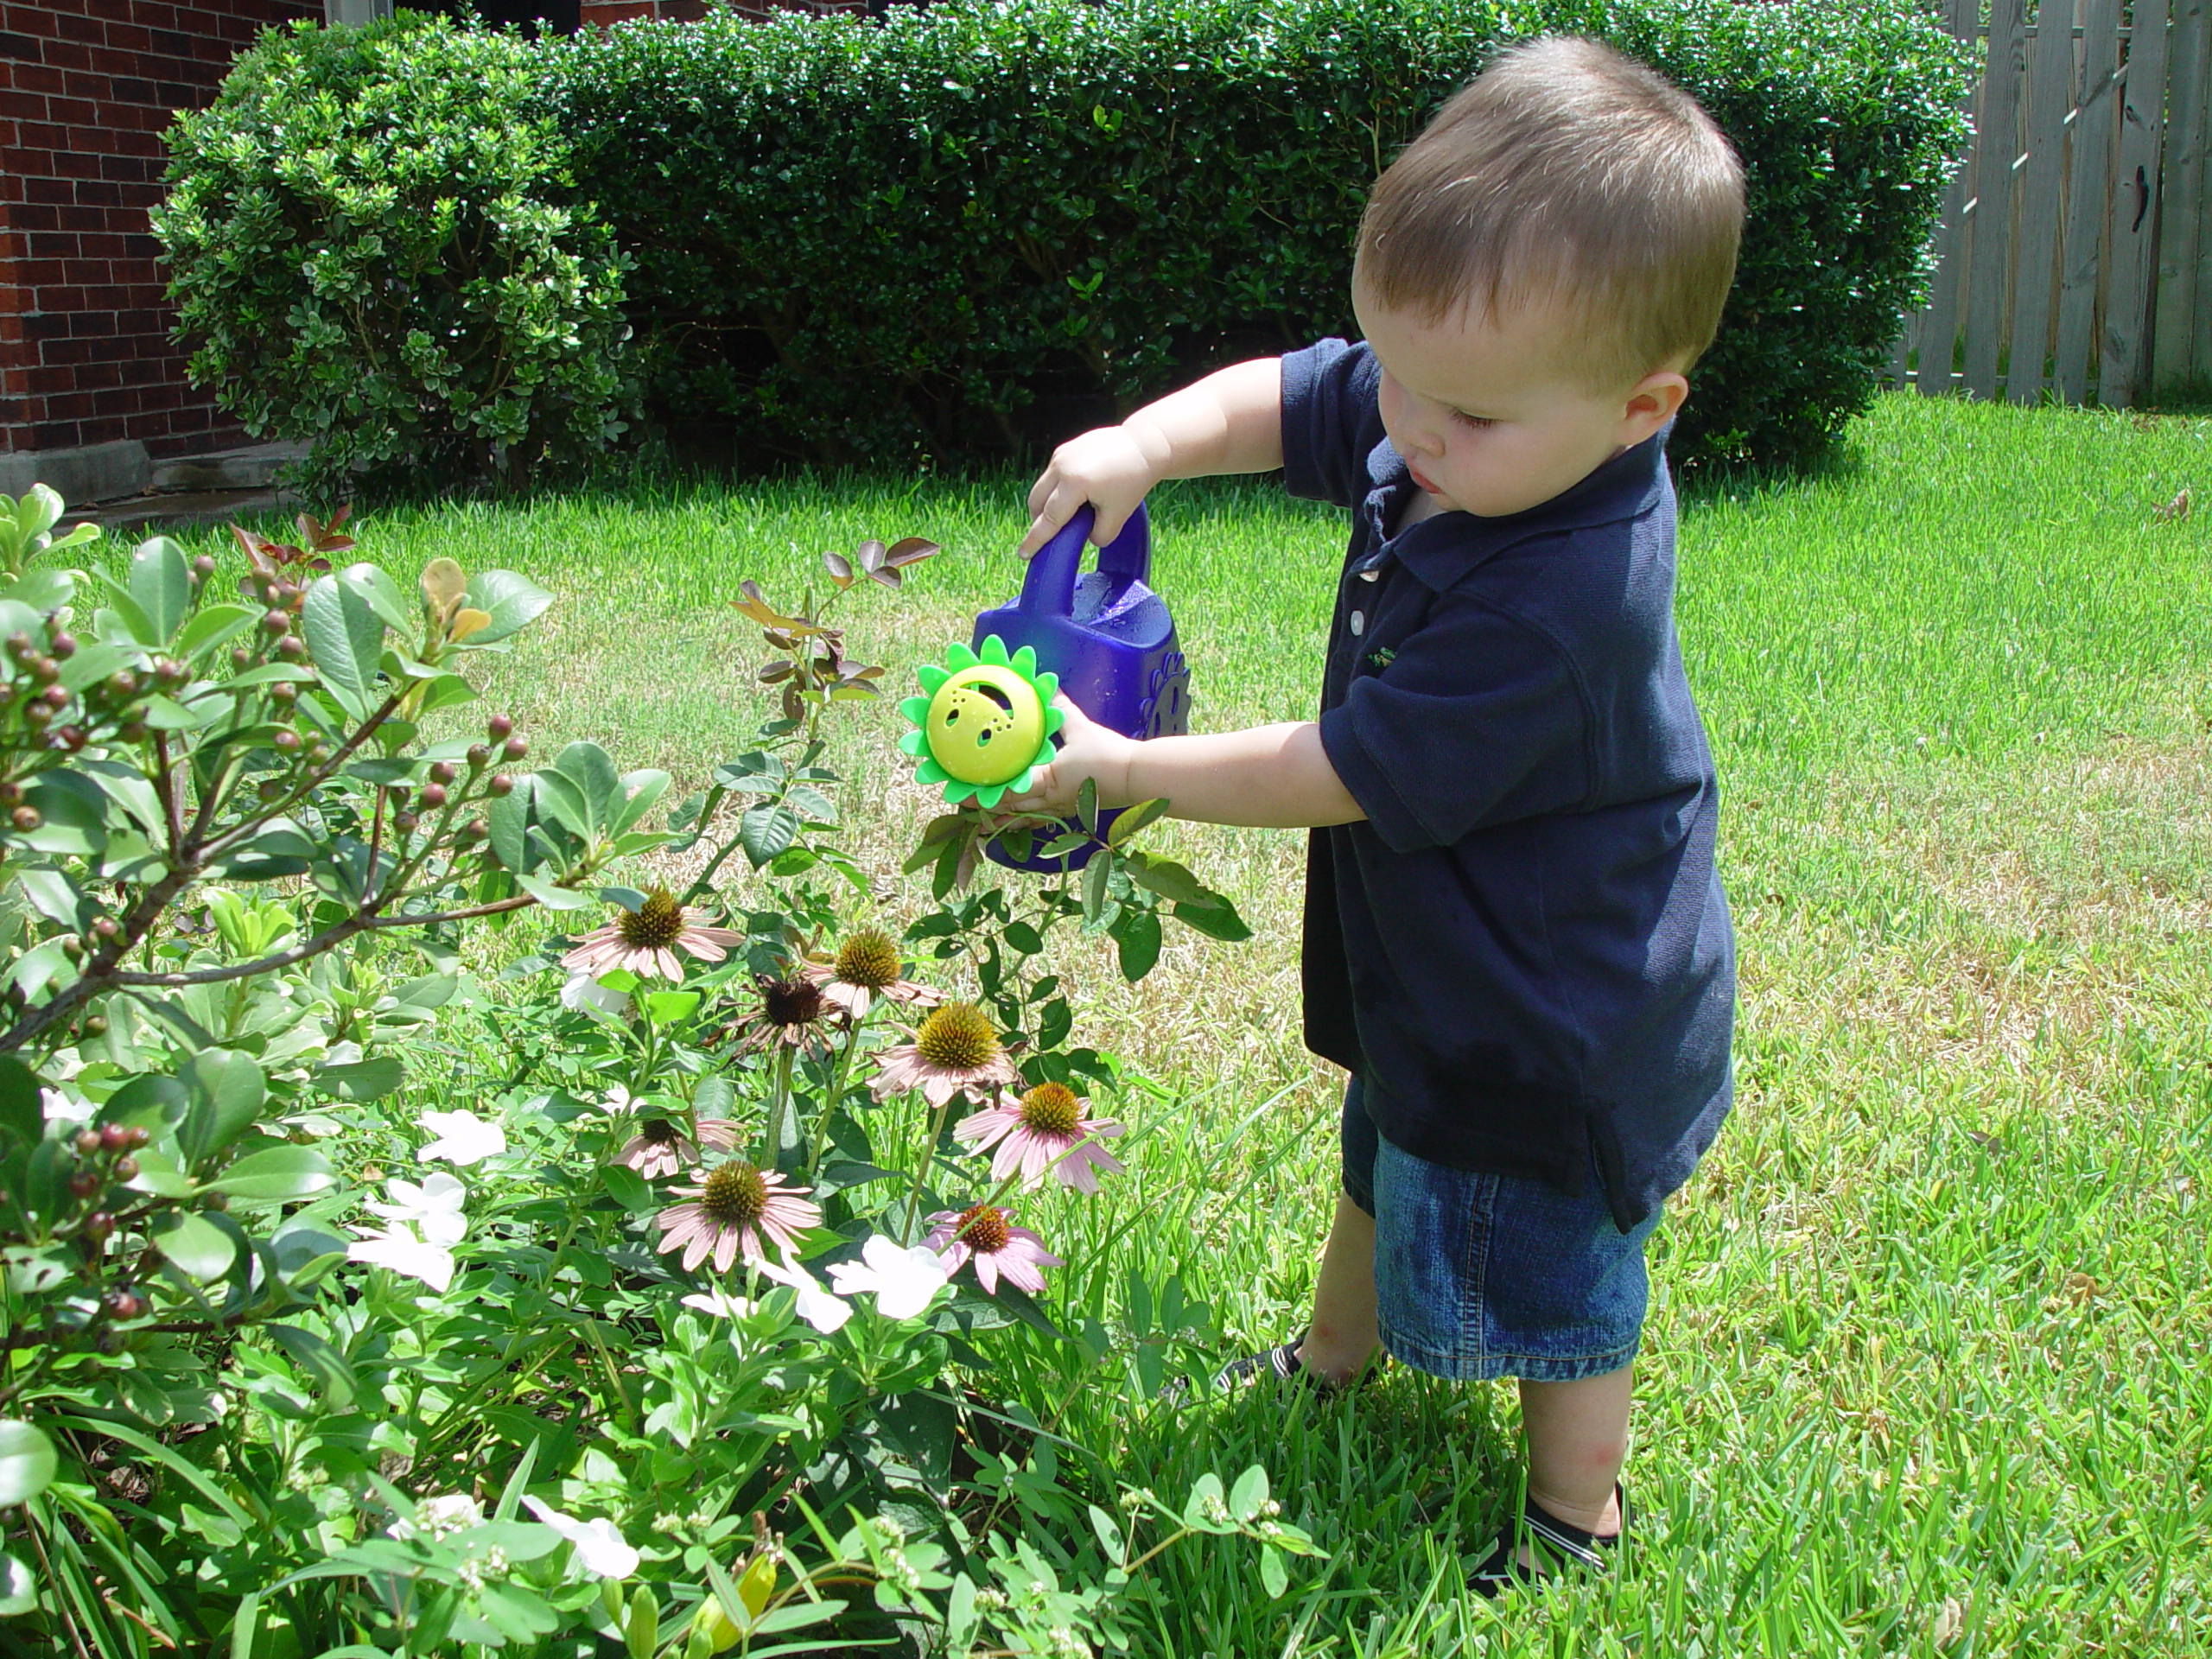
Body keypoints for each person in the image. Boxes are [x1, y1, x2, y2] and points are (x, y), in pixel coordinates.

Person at [1004, 35, 1745, 1595]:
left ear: (1640, 407)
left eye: (1461, 413)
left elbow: (1338, 767)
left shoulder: (1561, 596)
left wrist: (1118, 767)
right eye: (1395, 370)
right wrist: (1143, 443)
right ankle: (1335, 1357)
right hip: (1444, 944)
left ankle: (1573, 1515)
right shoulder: (1463, 419)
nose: (1405, 426)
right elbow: (1293, 396)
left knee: (1556, 1277)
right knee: (1389, 1137)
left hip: (1555, 1002)